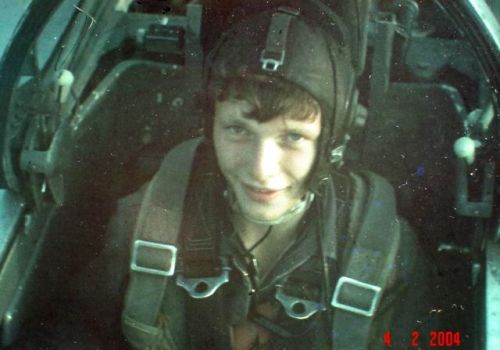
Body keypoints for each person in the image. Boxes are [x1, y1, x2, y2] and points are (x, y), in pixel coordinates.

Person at [83, 5, 433, 350]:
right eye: (238, 129)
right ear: (211, 126)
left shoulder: (385, 254)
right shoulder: (144, 220)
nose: (261, 169)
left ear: (329, 143)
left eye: (293, 137)